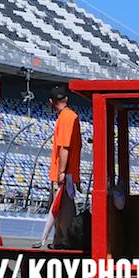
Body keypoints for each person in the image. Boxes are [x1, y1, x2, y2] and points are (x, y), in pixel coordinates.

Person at [39, 84, 82, 249]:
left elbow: (65, 147)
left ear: (51, 102)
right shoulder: (72, 116)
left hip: (64, 172)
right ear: (66, 98)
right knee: (59, 208)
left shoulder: (65, 118)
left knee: (62, 209)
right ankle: (59, 240)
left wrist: (62, 172)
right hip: (71, 172)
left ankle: (66, 241)